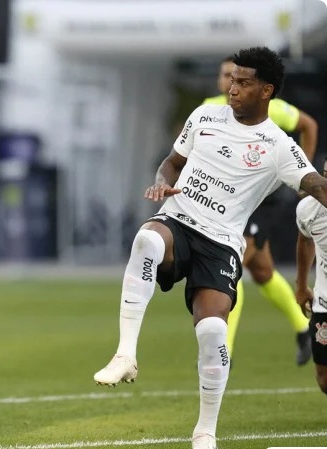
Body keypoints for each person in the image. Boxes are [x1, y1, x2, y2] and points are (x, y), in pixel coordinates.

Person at [93, 47, 327, 449]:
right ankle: (126, 354)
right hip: (179, 220)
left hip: (221, 243)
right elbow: (172, 161)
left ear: (266, 90)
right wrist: (162, 180)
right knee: (147, 238)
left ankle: (205, 432)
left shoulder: (277, 145)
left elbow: (318, 188)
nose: (232, 89)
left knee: (215, 329)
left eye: (242, 83)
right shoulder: (204, 116)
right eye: (231, 80)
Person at [203, 55, 319, 365]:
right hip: (224, 201)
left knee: (231, 265)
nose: (230, 83)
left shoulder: (270, 111)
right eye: (226, 75)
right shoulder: (209, 109)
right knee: (264, 272)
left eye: (237, 77)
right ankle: (303, 328)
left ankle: (223, 350)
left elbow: (308, 125)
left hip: (258, 202)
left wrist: (299, 175)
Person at [294, 159, 327, 398]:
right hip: (324, 302)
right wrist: (302, 285)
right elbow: (305, 240)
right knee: (324, 379)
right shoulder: (308, 209)